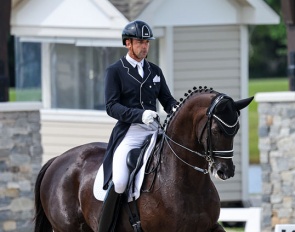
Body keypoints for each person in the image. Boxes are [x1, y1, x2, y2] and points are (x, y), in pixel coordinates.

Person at [99, 20, 177, 231]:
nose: (145, 46)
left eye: (147, 42)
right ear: (128, 44)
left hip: (155, 132)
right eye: (140, 42)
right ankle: (107, 227)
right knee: (122, 181)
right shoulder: (115, 71)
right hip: (130, 132)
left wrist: (178, 110)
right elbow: (111, 106)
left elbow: (167, 101)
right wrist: (139, 115)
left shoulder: (155, 71)